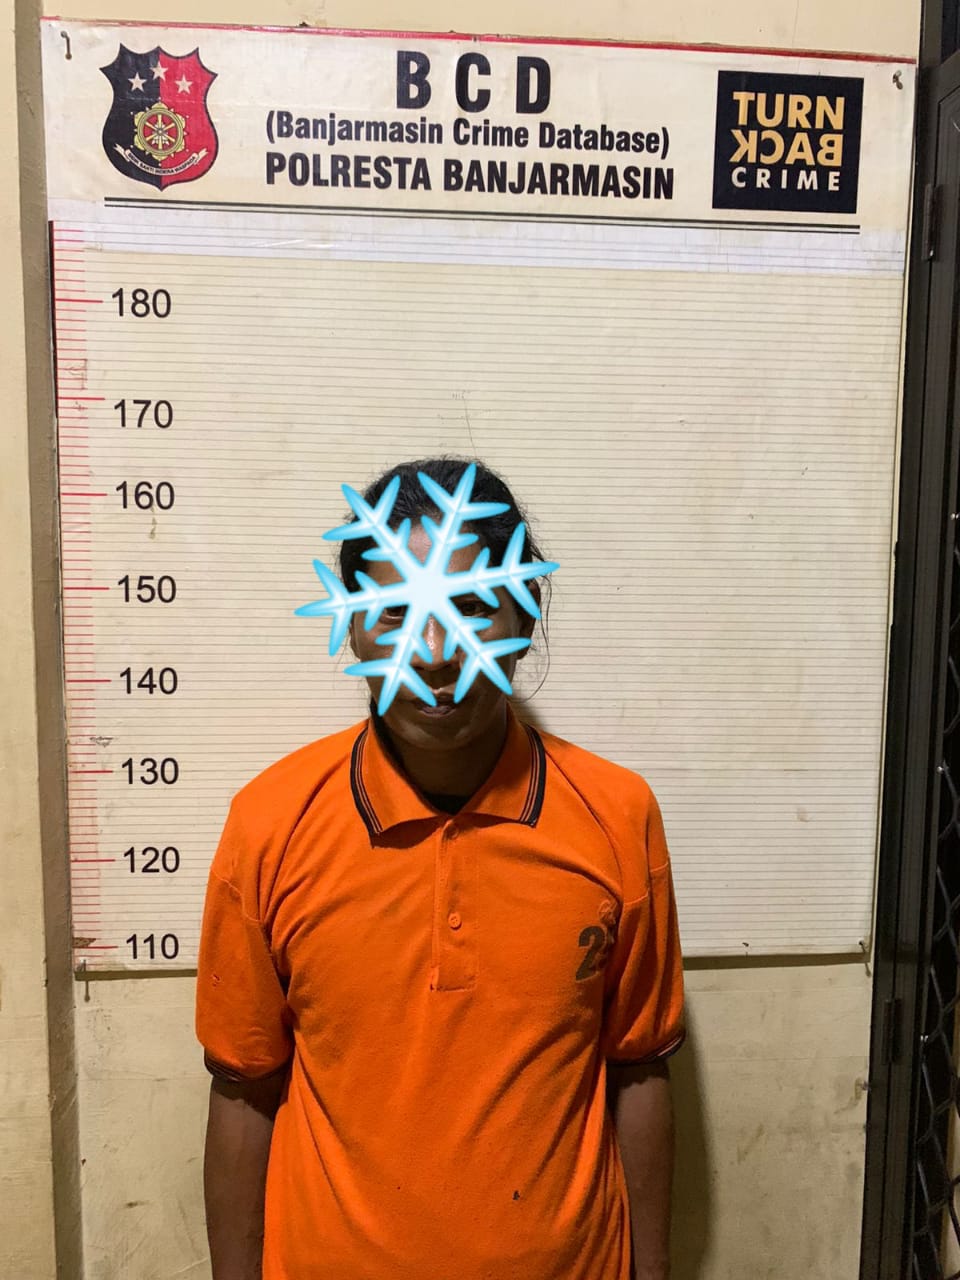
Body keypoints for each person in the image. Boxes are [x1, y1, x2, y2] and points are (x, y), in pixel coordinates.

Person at [196, 457, 685, 1280]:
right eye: (395, 612)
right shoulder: (270, 824)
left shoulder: (617, 816)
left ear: (526, 615)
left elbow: (639, 1067)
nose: (434, 652)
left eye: (471, 607)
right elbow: (244, 1088)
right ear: (354, 628)